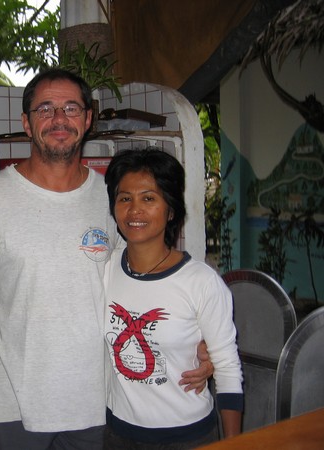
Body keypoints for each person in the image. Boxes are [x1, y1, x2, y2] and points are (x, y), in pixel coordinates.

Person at [0, 68, 212, 450]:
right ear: (26, 121)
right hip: (11, 401)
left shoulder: (112, 197)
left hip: (95, 399)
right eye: (45, 109)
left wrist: (200, 339)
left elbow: (148, 276)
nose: (58, 119)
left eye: (71, 108)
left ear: (88, 119)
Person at [103, 148, 243, 449]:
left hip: (187, 437)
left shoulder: (201, 282)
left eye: (149, 198)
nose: (134, 210)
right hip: (118, 434)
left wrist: (234, 445)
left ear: (171, 210)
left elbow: (228, 368)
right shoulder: (104, 269)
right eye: (124, 198)